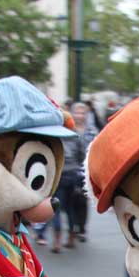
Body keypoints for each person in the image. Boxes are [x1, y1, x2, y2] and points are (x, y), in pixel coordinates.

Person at [44, 102, 97, 252]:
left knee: (55, 207)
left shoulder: (55, 135)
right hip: (73, 175)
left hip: (59, 174)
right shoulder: (75, 135)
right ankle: (71, 237)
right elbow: (82, 156)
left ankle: (57, 241)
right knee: (70, 208)